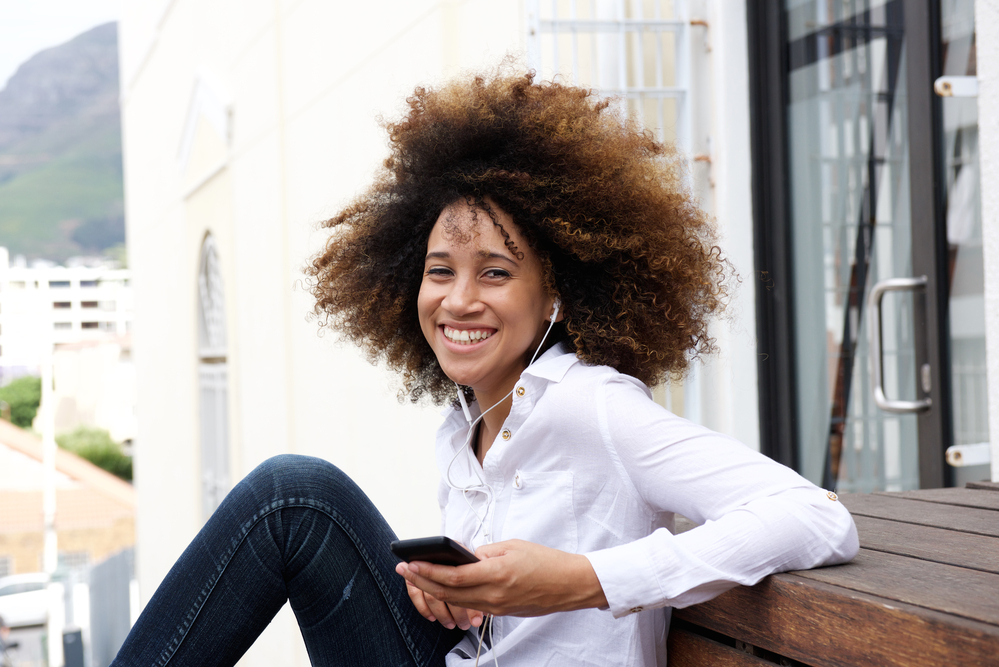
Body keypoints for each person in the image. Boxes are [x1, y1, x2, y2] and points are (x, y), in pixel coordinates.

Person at [111, 69, 858, 667]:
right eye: (439, 270)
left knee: (291, 496)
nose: (457, 300)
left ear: (556, 296)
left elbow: (816, 518)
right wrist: (453, 595)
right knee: (292, 501)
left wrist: (583, 580)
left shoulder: (593, 405)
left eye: (495, 272)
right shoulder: (462, 427)